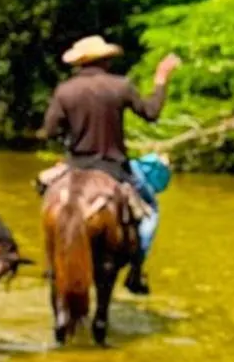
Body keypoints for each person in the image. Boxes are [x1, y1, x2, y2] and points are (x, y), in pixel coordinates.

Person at [41, 35, 181, 294]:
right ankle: (136, 270)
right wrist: (161, 79)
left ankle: (52, 261)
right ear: (105, 60)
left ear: (80, 63)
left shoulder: (65, 91)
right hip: (114, 168)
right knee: (150, 209)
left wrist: (69, 141)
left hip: (76, 166)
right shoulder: (120, 86)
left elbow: (50, 131)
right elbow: (151, 113)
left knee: (49, 197)